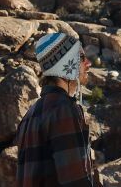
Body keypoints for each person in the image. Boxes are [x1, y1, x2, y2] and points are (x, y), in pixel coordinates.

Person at [14, 32, 101, 187]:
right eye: (81, 57)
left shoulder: (30, 114)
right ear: (66, 64)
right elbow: (75, 182)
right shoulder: (64, 110)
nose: (88, 63)